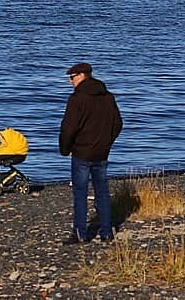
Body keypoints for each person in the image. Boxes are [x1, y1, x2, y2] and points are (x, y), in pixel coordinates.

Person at [59, 61, 123, 244]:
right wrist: (107, 142)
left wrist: (66, 149)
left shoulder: (77, 99)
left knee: (80, 193)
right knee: (102, 191)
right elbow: (118, 123)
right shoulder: (107, 97)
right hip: (101, 151)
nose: (70, 81)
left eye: (72, 78)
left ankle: (80, 234)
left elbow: (68, 128)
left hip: (81, 152)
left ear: (81, 76)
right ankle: (106, 232)